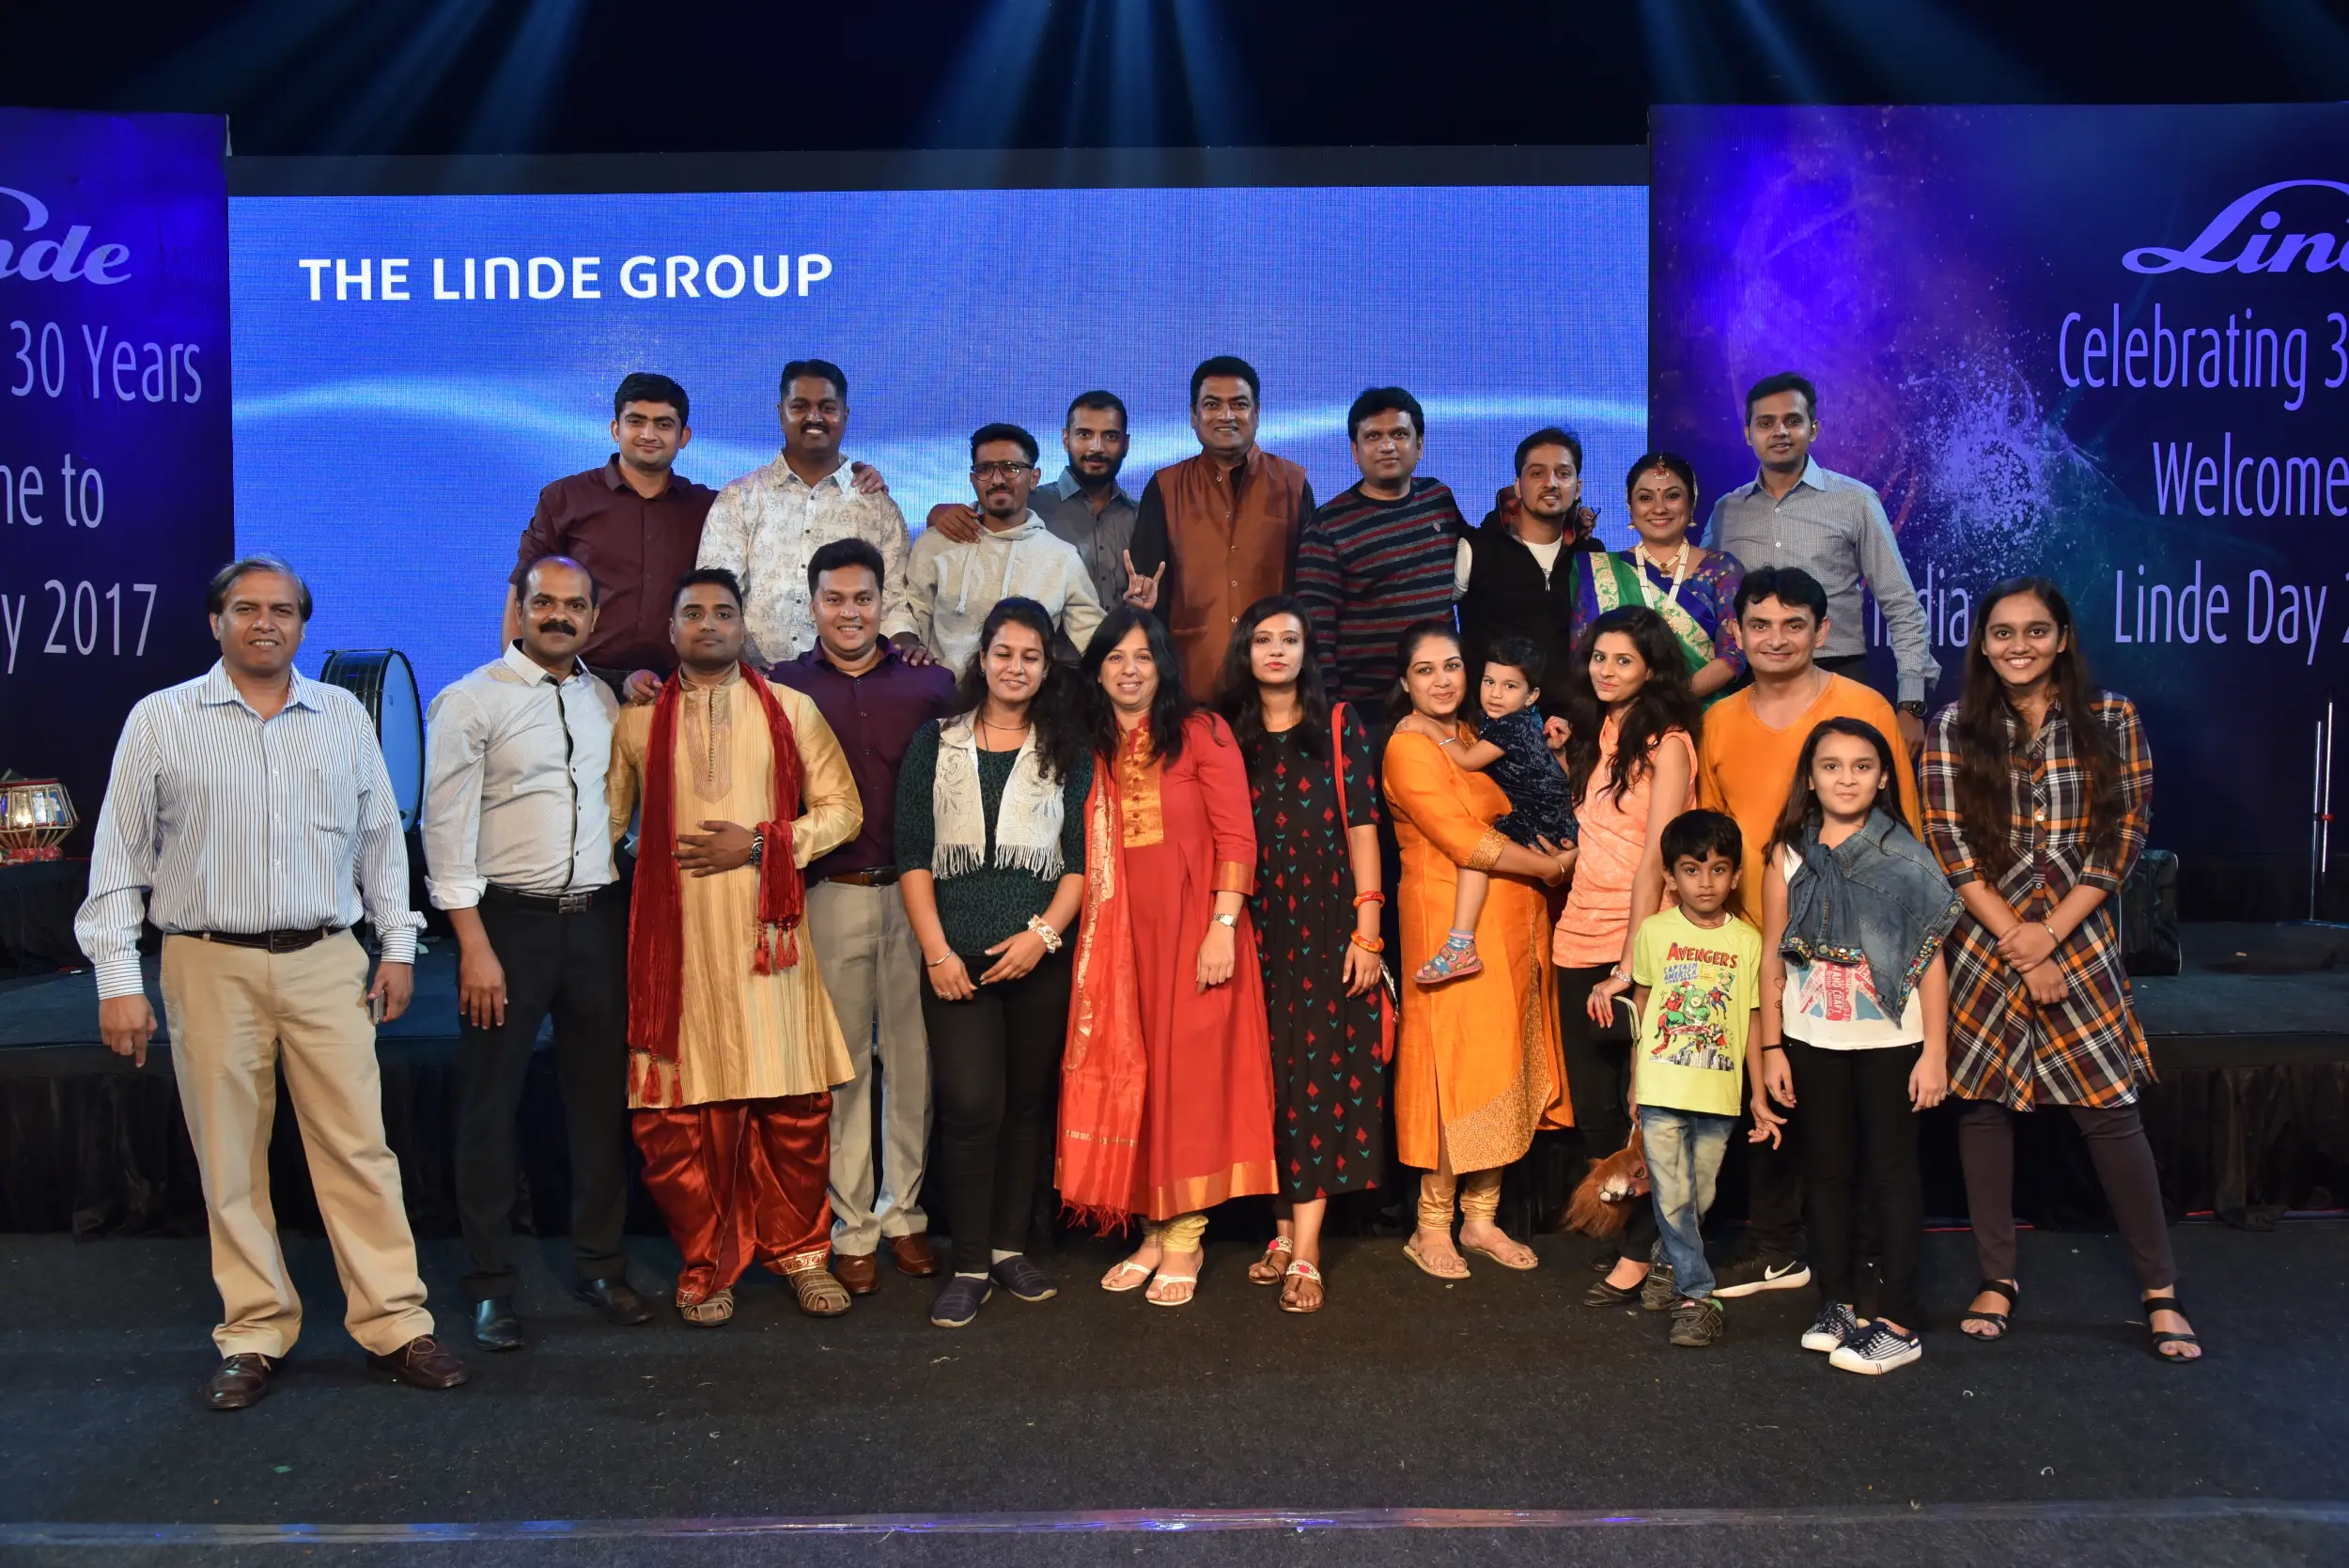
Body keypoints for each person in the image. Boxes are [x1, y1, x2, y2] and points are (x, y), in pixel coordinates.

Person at [76, 555, 467, 1408]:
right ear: (214, 620)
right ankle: (253, 1331)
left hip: (328, 958)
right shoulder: (161, 719)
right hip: (205, 959)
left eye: (282, 610)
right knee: (228, 1156)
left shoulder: (340, 717)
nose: (265, 623)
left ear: (302, 623)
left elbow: (377, 842)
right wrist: (117, 974)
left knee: (359, 1148)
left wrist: (397, 946)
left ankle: (396, 1322)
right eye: (246, 608)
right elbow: (119, 857)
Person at [1923, 579, 2198, 1362]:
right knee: (1983, 1110)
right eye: (2003, 632)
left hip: (2077, 936)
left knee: (2110, 1112)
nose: (2019, 645)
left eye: (2036, 631)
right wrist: (2017, 936)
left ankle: (2161, 1290)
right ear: (1981, 644)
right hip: (1985, 938)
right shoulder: (1951, 727)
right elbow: (1949, 846)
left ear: (2064, 638)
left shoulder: (2112, 719)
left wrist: (2051, 936)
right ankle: (1996, 1277)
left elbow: (2125, 834)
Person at [606, 568, 866, 1326]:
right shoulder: (635, 723)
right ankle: (706, 1263)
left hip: (769, 940)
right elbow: (609, 827)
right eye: (694, 612)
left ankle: (803, 1256)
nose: (709, 624)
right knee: (679, 1120)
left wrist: (761, 843)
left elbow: (843, 811)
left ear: (743, 623)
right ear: (672, 626)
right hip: (675, 947)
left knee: (792, 1107)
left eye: (724, 612)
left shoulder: (792, 709)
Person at [423, 555, 651, 1351]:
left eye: (575, 605)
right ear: (517, 607)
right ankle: (491, 1284)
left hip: (596, 922)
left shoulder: (604, 699)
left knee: (599, 1103)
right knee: (491, 1106)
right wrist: (474, 945)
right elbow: (443, 831)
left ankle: (601, 1264)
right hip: (506, 928)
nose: (559, 616)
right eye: (544, 602)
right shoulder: (468, 700)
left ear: (594, 616)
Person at [1696, 565, 1921, 1299]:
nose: (1776, 638)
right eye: (1759, 624)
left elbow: (1906, 832)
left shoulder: (1863, 706)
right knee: (1768, 1097)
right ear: (1737, 632)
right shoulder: (1719, 719)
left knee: (1850, 1127)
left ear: (1823, 632)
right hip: (1757, 944)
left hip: (1851, 958)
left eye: (1794, 625)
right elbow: (1710, 837)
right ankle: (1775, 1250)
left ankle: (1859, 1269)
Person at [1059, 607, 1276, 1307]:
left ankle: (1185, 1232)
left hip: (1195, 929)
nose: (1129, 669)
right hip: (1119, 939)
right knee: (1138, 1079)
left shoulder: (1201, 732)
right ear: (1097, 670)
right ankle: (1153, 1228)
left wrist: (1222, 923)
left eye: (1143, 656)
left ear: (1163, 666)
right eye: (1115, 657)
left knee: (1187, 1081)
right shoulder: (1087, 744)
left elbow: (1237, 836)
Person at [894, 598, 1094, 1327]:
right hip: (955, 959)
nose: (1016, 667)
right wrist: (938, 951)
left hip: (1037, 955)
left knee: (1027, 1109)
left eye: (1031, 656)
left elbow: (1079, 863)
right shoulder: (935, 742)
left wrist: (1041, 934)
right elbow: (913, 854)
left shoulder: (1066, 750)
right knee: (972, 1107)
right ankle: (970, 1262)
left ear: (1046, 668)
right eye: (1004, 653)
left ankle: (1011, 1248)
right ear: (982, 658)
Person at [770, 538, 959, 1296]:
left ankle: (904, 1216)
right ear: (812, 603)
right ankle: (850, 1228)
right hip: (830, 893)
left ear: (886, 602)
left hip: (920, 899)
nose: (850, 613)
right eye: (834, 599)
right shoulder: (780, 687)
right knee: (843, 1069)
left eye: (863, 598)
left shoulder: (932, 685)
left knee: (912, 1067)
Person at [1755, 719, 1958, 1374]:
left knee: (1893, 1175)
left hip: (1892, 1041)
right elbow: (1771, 956)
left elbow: (1930, 958)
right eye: (1833, 765)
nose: (1847, 778)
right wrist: (1771, 1047)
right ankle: (1837, 1301)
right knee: (1828, 1173)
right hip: (1812, 1037)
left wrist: (1935, 1052)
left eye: (1862, 765)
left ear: (1883, 775)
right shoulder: (1788, 851)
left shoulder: (1907, 856)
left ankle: (1898, 1319)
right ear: (1810, 776)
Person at [1381, 621, 1574, 1281]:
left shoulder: (1475, 735)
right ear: (1404, 680)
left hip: (1516, 928)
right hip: (1450, 931)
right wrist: (1547, 869)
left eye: (1453, 666)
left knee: (1501, 1071)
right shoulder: (1409, 748)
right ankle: (1431, 1224)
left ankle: (1481, 1215)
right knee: (1451, 1075)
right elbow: (1465, 840)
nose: (1444, 680)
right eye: (1426, 669)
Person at [1215, 597, 1391, 1313]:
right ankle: (1281, 1233)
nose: (1277, 651)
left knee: (1317, 1076)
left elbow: (1362, 828)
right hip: (1255, 924)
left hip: (1326, 926)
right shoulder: (1226, 734)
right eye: (1263, 640)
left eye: (1290, 639)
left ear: (1307, 650)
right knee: (1270, 1083)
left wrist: (1368, 929)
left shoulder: (1340, 724)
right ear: (1246, 653)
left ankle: (1309, 1251)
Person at [1553, 607, 1703, 1303]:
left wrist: (1630, 964)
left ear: (1653, 668)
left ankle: (1645, 1253)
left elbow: (1655, 859)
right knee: (1595, 1109)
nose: (1607, 670)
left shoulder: (1668, 742)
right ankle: (1627, 1233)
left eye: (1624, 660)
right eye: (1599, 658)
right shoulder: (1597, 733)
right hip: (1574, 935)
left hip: (1636, 940)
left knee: (1645, 1106)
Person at [1586, 810, 1762, 1349]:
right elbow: (1642, 1005)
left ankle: (1666, 1261)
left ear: (1733, 876)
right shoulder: (1655, 933)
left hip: (1719, 1091)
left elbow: (1753, 1017)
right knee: (1673, 1195)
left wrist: (1759, 1095)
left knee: (1700, 1193)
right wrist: (1637, 1082)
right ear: (1670, 877)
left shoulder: (1748, 941)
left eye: (1716, 869)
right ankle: (1696, 1294)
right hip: (1663, 1087)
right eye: (1690, 869)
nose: (1704, 882)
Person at [1702, 372, 1937, 746]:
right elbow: (1702, 605)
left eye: (1792, 421)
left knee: (1841, 799)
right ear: (1748, 433)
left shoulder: (1855, 501)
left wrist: (1911, 704)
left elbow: (1902, 604)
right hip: (1750, 684)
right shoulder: (1727, 511)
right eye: (1766, 423)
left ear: (1813, 429)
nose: (1779, 431)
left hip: (1837, 676)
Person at [692, 358, 919, 674]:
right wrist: (742, 675)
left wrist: (906, 646)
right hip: (753, 684)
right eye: (800, 406)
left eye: (827, 407)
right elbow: (713, 595)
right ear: (781, 413)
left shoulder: (877, 507)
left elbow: (894, 600)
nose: (814, 417)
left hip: (850, 689)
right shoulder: (740, 497)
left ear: (845, 415)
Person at [507, 373, 717, 696]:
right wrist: (519, 684)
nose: (649, 434)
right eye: (636, 421)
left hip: (676, 690)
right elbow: (523, 589)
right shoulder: (566, 498)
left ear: (684, 436)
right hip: (575, 685)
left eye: (663, 424)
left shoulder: (709, 508)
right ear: (615, 429)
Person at [1124, 355, 1315, 697]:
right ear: (1193, 417)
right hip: (1191, 678)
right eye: (1212, 405)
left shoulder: (1293, 483)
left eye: (1239, 405)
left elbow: (1311, 589)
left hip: (1276, 685)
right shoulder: (1166, 487)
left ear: (1257, 413)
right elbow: (1150, 592)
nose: (1226, 416)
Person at [1406, 636, 1578, 986]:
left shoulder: (1511, 726)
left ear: (1532, 696)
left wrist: (1428, 728)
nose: (1495, 694)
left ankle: (1460, 945)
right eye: (1489, 682)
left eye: (1509, 686)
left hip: (1539, 817)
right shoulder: (1517, 721)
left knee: (1477, 852)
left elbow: (1468, 761)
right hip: (1553, 814)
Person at [1294, 387, 1470, 710]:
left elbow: (1485, 555)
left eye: (1399, 434)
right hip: (1366, 712)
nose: (1387, 446)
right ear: (1355, 451)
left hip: (1443, 702)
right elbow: (1316, 631)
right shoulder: (1329, 526)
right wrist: (1333, 712)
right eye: (1373, 436)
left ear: (1419, 445)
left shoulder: (1439, 499)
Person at [925, 392, 1142, 651]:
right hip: (1041, 673)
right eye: (1084, 434)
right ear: (1065, 439)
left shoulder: (1140, 516)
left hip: (1111, 665)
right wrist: (938, 512)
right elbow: (979, 514)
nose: (1096, 447)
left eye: (1110, 436)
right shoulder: (1029, 502)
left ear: (1126, 444)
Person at [905, 423, 1105, 671]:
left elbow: (1096, 640)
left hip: (1027, 701)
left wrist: (1136, 617)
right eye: (985, 469)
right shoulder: (937, 543)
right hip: (944, 700)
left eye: (1010, 468)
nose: (997, 479)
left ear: (1034, 478)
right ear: (973, 479)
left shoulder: (1061, 558)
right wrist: (905, 643)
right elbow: (910, 612)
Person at [1455, 427, 1607, 716]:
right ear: (1517, 485)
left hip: (1574, 728)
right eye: (1537, 473)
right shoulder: (1475, 549)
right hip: (1491, 731)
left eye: (1563, 473)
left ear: (1578, 488)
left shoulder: (1593, 555)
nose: (1551, 483)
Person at [1572, 453, 1746, 702]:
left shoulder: (1722, 569)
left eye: (1672, 495)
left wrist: (1669, 702)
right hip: (1616, 720)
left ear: (1692, 502)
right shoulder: (1600, 570)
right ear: (1630, 507)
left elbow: (1734, 654)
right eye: (1645, 498)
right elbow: (1582, 655)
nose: (1659, 508)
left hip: (1702, 716)